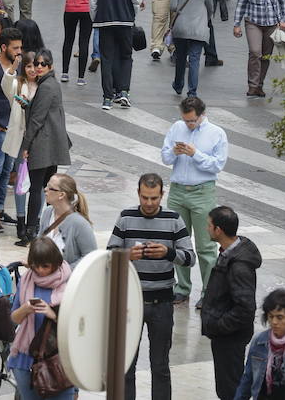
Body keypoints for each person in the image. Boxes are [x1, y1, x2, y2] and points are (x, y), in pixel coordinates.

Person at [107, 173, 196, 400]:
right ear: (138, 194)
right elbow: (109, 256)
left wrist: (169, 253)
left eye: (154, 198)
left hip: (162, 303)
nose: (149, 203)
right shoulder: (125, 217)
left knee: (160, 366)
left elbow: (190, 258)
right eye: (145, 198)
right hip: (130, 302)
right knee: (126, 366)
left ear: (161, 196)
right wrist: (126, 255)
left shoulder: (174, 219)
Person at [161, 97, 229, 308]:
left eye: (192, 121)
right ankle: (181, 288)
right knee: (178, 242)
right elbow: (164, 157)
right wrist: (174, 151)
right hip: (178, 191)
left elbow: (217, 165)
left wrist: (195, 154)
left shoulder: (216, 133)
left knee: (205, 246)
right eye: (186, 120)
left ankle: (208, 292)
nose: (189, 124)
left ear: (201, 115)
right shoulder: (176, 128)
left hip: (202, 192)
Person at [200, 206, 262, 400]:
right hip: (225, 336)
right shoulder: (229, 254)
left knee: (230, 390)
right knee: (227, 388)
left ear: (218, 230)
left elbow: (245, 308)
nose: (206, 229)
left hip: (229, 337)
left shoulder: (239, 266)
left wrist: (219, 325)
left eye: (209, 225)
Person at [7, 237, 74, 400]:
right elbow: (14, 318)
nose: (40, 270)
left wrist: (53, 314)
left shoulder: (70, 282)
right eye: (36, 265)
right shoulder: (26, 279)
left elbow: (80, 324)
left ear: (56, 262)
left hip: (60, 361)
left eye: (45, 266)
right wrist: (26, 309)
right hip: (26, 360)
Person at [21, 49, 71, 243]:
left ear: (51, 66)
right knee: (47, 189)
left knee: (37, 189)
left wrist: (26, 146)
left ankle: (31, 231)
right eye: (37, 64)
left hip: (43, 145)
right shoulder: (51, 84)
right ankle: (43, 226)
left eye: (43, 64)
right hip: (52, 145)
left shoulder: (46, 86)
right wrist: (28, 106)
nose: (39, 67)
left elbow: (36, 120)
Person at [90, 0, 143, 110]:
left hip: (105, 21)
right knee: (126, 56)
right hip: (125, 21)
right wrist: (132, 14)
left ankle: (107, 97)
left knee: (107, 58)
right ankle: (124, 92)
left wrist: (95, 19)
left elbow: (93, 2)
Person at [233, 0, 285, 97]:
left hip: (272, 23)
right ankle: (252, 85)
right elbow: (241, 4)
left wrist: (284, 20)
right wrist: (236, 24)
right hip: (253, 22)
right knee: (255, 52)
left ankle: (260, 84)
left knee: (265, 55)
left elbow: (284, 2)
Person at [0, 27, 23, 222]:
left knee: (7, 171)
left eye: (20, 48)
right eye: (15, 48)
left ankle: (0, 208)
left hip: (13, 127)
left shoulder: (20, 67)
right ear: (3, 47)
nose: (19, 52)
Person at [2, 50, 38, 243]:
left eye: (35, 65)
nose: (32, 69)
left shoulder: (43, 86)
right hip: (20, 140)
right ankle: (21, 221)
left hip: (38, 142)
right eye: (29, 66)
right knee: (21, 181)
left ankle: (35, 222)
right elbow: (6, 83)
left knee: (37, 184)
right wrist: (13, 69)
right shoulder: (19, 84)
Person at [169, 0, 214, 100]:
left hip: (181, 27)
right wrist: (204, 20)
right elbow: (210, 8)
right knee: (195, 59)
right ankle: (192, 91)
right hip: (198, 29)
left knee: (181, 57)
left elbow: (173, 6)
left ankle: (178, 84)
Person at [234, 288, 285, 399]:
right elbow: (247, 379)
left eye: (280, 317)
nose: (274, 322)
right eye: (271, 316)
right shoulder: (259, 342)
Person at [39, 173, 96, 268]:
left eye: (50, 188)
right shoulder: (47, 212)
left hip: (68, 280)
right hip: (44, 278)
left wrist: (63, 272)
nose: (45, 189)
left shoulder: (80, 223)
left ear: (61, 195)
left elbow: (90, 257)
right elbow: (39, 242)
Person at [58, 0, 96, 86]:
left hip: (70, 8)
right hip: (86, 9)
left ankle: (65, 73)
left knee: (68, 40)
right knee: (84, 42)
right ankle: (80, 77)